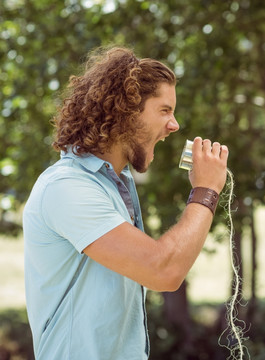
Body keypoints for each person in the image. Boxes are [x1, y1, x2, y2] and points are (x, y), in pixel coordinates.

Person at [22, 46, 229, 359]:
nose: (174, 125)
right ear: (126, 110)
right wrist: (206, 190)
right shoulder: (68, 187)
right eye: (164, 110)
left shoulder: (115, 183)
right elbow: (164, 270)